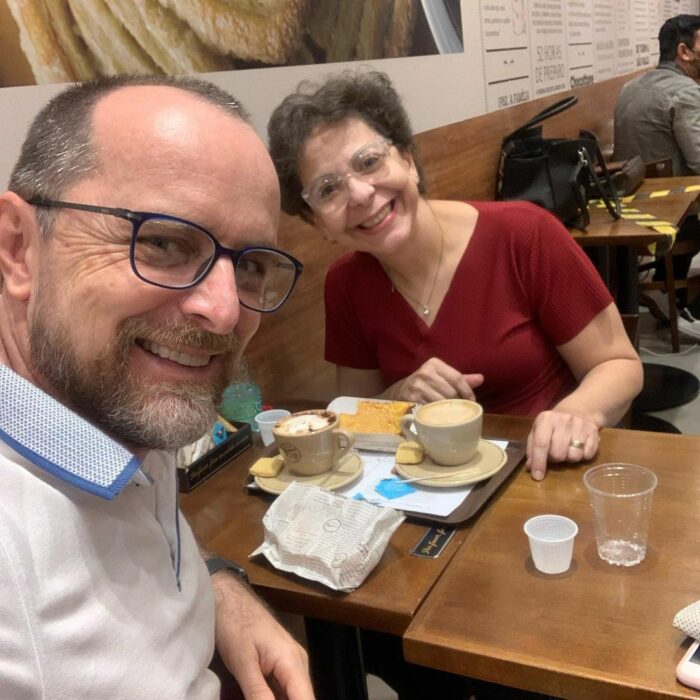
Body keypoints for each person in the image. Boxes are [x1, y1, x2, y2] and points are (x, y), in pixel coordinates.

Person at [0, 75, 314, 699]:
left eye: (250, 264)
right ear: (18, 249)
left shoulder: (103, 404)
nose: (224, 311)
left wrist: (219, 588)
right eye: (165, 241)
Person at [268, 69, 643, 483]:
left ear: (407, 160)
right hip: (428, 490)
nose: (359, 194)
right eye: (328, 190)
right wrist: (399, 395)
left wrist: (576, 413)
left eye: (369, 162)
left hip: (542, 474)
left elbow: (620, 364)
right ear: (318, 223)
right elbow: (359, 412)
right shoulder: (346, 285)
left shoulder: (524, 234)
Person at [614, 14, 700, 338]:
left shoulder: (629, 87)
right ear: (684, 52)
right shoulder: (686, 93)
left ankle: (672, 294)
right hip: (672, 214)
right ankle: (678, 301)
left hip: (629, 208)